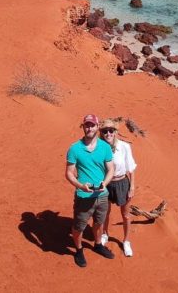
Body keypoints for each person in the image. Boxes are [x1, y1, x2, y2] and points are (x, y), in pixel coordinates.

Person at [65, 113, 116, 267]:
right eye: (87, 125)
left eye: (92, 125)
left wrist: (104, 184)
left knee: (99, 223)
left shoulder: (105, 147)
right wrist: (80, 186)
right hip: (83, 196)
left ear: (97, 126)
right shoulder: (74, 148)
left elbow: (111, 169)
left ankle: (98, 244)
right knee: (79, 225)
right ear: (83, 127)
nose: (89, 128)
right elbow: (68, 173)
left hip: (102, 195)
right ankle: (79, 250)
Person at [99, 118, 137, 257]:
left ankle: (126, 241)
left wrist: (132, 187)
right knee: (105, 213)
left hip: (122, 183)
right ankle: (104, 234)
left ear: (115, 132)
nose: (108, 133)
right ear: (101, 133)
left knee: (126, 215)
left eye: (111, 130)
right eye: (105, 131)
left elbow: (131, 168)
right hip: (106, 184)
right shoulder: (99, 147)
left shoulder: (124, 146)